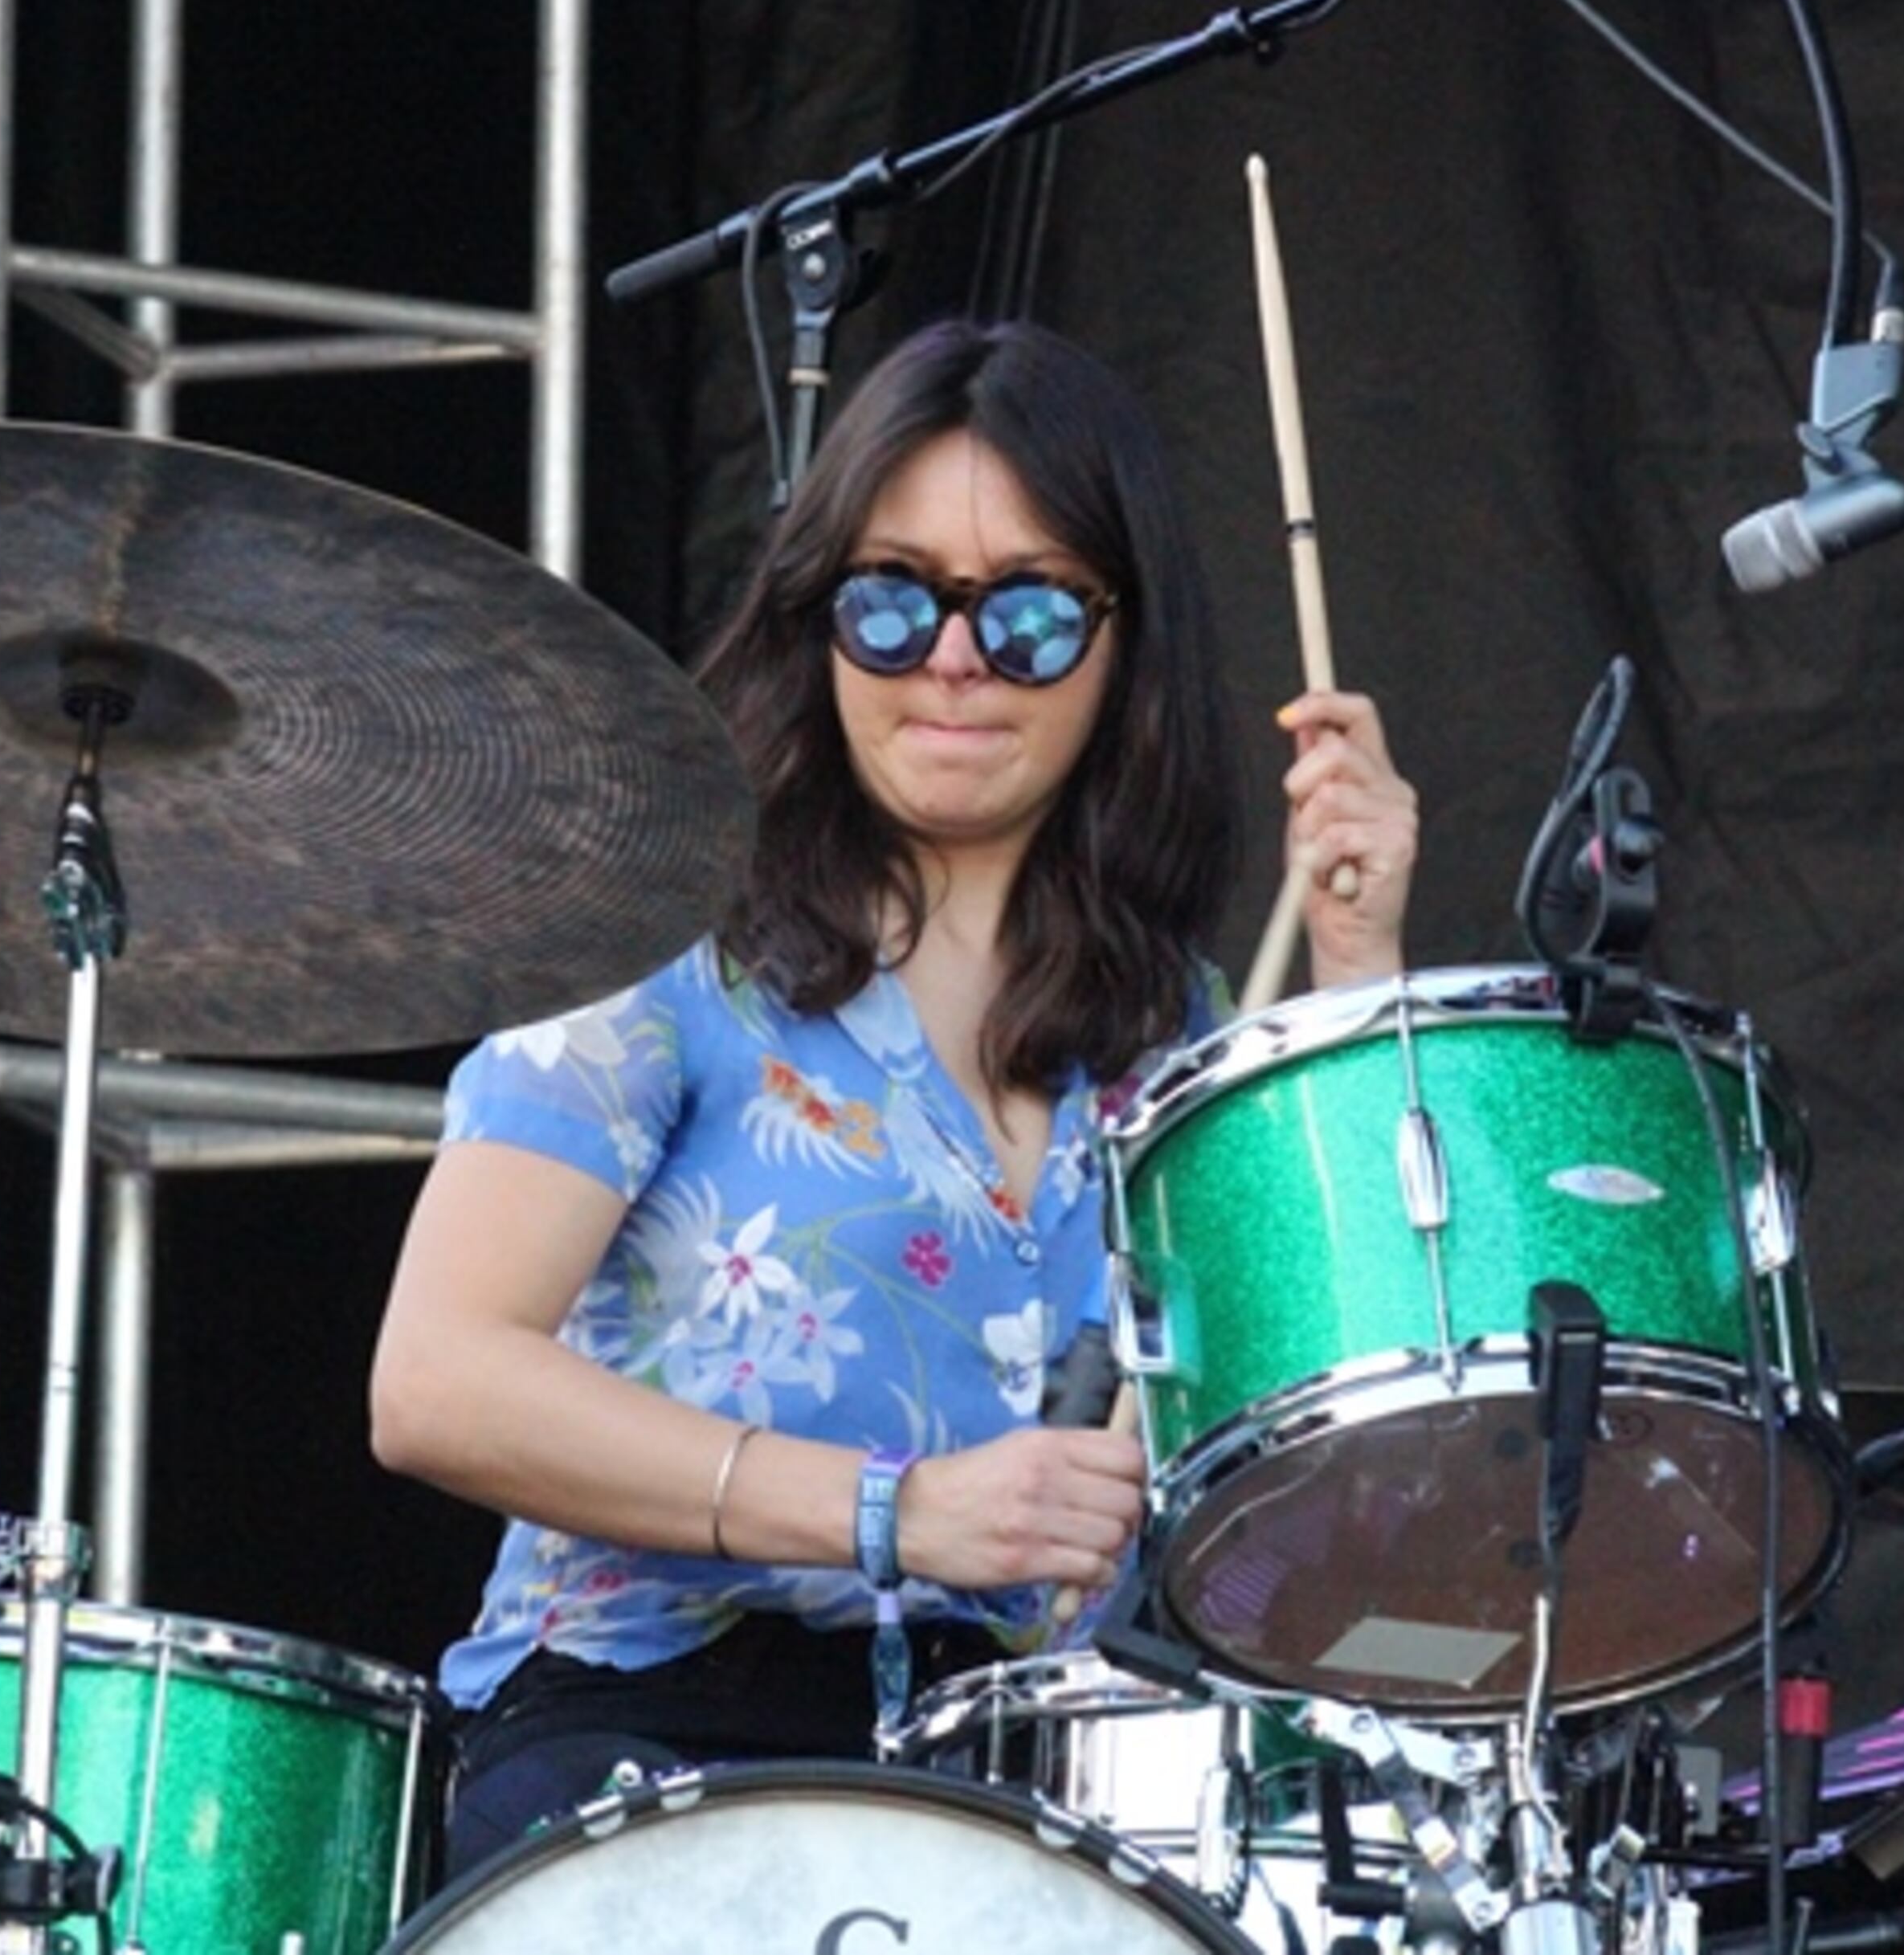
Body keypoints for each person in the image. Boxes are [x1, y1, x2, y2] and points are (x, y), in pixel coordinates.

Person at [369, 316, 1420, 1886]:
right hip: (653, 1753)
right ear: (819, 618)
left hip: (1037, 1798)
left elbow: (1355, 1481)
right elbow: (435, 1379)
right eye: (892, 600)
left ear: (1125, 646)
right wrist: (895, 1512)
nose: (953, 658)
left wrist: (1356, 969)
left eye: (1031, 615)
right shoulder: (666, 941)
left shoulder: (1183, 1027)